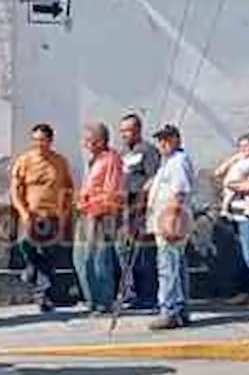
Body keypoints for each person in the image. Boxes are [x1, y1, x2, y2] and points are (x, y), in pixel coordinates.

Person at [10, 123, 74, 313]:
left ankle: (42, 295)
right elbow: (15, 189)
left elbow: (69, 189)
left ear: (50, 141)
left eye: (43, 140)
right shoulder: (24, 161)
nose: (39, 144)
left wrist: (65, 212)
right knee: (25, 243)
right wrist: (22, 211)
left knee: (48, 254)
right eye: (36, 140)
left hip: (52, 215)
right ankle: (31, 267)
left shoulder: (60, 162)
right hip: (30, 214)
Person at [213, 134, 249, 309]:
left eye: (246, 146)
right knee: (241, 257)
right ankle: (245, 292)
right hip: (235, 215)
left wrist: (230, 185)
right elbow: (218, 173)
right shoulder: (240, 162)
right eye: (240, 146)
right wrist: (234, 158)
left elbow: (248, 186)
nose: (242, 149)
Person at [148, 124, 196, 330]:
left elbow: (179, 193)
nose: (162, 143)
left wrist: (170, 220)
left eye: (166, 139)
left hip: (172, 221)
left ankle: (170, 310)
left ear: (177, 139)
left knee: (168, 267)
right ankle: (180, 309)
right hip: (164, 220)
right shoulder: (167, 162)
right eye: (160, 140)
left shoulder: (178, 161)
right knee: (175, 265)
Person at [75, 122, 125, 314]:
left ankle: (104, 301)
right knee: (81, 258)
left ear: (100, 140)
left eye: (89, 140)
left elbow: (112, 190)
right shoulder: (94, 160)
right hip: (86, 212)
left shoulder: (111, 160)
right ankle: (92, 299)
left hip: (100, 214)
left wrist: (98, 210)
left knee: (99, 259)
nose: (86, 144)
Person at [117, 114, 161, 311]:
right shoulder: (124, 152)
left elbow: (154, 179)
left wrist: (142, 202)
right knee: (126, 251)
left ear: (138, 130)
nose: (124, 134)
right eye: (122, 131)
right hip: (124, 207)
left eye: (127, 130)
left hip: (140, 207)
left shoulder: (148, 151)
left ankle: (148, 295)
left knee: (143, 253)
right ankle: (131, 292)